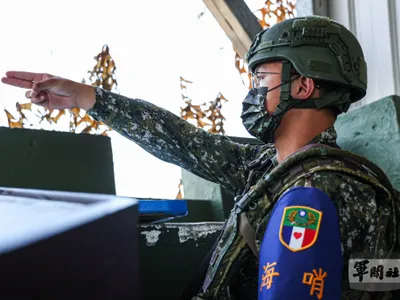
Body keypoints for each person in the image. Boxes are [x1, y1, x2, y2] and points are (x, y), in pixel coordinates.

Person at [2, 15, 399, 299]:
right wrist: (88, 98)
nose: (253, 92)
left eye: (262, 79)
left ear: (305, 85)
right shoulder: (268, 168)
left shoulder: (323, 186)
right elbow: (181, 140)